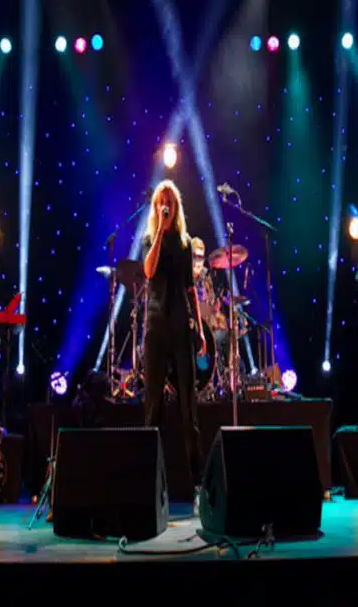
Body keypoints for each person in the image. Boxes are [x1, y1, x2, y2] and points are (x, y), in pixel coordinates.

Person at [142, 180, 206, 491]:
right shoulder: (149, 239)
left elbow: (191, 288)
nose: (165, 205)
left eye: (170, 201)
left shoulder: (185, 243)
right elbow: (149, 272)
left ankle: (197, 482)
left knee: (187, 404)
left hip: (181, 324)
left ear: (176, 207)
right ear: (156, 207)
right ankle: (149, 480)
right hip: (156, 325)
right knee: (153, 403)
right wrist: (159, 233)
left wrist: (200, 329)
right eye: (161, 201)